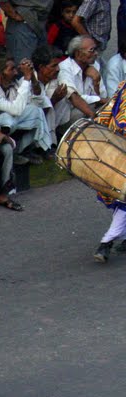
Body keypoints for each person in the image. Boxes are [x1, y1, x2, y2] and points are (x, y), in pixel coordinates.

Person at [0, 54, 52, 162]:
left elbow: (38, 100)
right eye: (11, 70)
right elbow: (15, 110)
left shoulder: (11, 84)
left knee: (36, 111)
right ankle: (4, 150)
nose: (16, 73)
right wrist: (26, 79)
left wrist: (31, 76)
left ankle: (22, 151)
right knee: (8, 118)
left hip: (1, 126)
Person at [91, 79, 126, 261]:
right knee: (121, 195)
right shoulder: (123, 86)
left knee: (123, 198)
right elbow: (111, 112)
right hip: (118, 149)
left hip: (117, 147)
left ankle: (107, 242)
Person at [59, 35, 105, 121]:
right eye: (92, 50)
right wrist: (94, 117)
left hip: (89, 109)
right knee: (82, 112)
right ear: (78, 54)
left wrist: (96, 82)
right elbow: (74, 98)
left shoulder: (94, 65)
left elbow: (103, 97)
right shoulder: (65, 68)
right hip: (68, 115)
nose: (96, 53)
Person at [33, 44, 71, 142]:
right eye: (53, 66)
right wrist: (53, 100)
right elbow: (34, 117)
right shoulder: (29, 83)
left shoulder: (54, 80)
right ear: (41, 67)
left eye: (58, 65)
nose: (58, 69)